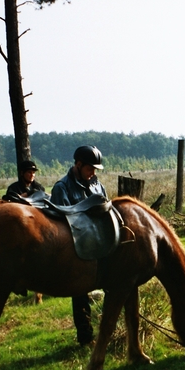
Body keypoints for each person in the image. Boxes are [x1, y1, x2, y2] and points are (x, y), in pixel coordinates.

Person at [50, 145, 107, 346]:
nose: (92, 173)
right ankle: (85, 337)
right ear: (79, 164)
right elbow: (62, 224)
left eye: (95, 170)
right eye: (90, 168)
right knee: (80, 293)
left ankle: (107, 332)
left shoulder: (97, 185)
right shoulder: (62, 188)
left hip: (99, 244)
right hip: (77, 248)